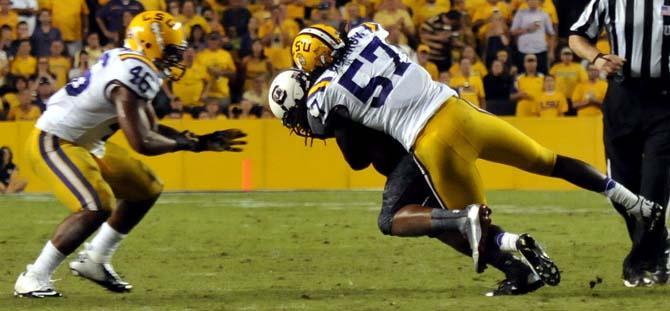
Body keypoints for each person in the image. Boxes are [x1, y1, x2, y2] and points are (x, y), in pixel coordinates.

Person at [282, 22, 666, 285]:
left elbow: (343, 144)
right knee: (549, 161)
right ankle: (635, 202)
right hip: (460, 109)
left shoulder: (323, 93)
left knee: (470, 227)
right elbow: (379, 37)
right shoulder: (366, 34)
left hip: (430, 141)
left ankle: (512, 249)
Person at [13, 11, 246, 298]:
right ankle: (34, 276)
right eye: (172, 51)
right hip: (55, 140)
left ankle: (95, 259)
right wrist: (190, 145)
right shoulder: (134, 73)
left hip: (86, 142)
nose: (176, 59)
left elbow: (149, 126)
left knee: (145, 187)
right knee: (96, 205)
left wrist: (198, 141)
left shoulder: (132, 64)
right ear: (149, 45)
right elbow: (142, 141)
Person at [268, 69, 552, 296]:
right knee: (438, 225)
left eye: (294, 116)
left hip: (412, 154)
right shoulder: (342, 79)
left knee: (392, 219)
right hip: (420, 145)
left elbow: (357, 161)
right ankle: (517, 260)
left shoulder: (331, 103)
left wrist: (331, 128)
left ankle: (469, 222)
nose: (299, 124)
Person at [570, 0, 670, 286]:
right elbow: (577, 35)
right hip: (622, 98)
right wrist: (597, 58)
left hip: (664, 101)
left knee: (653, 188)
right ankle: (661, 246)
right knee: (621, 190)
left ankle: (639, 261)